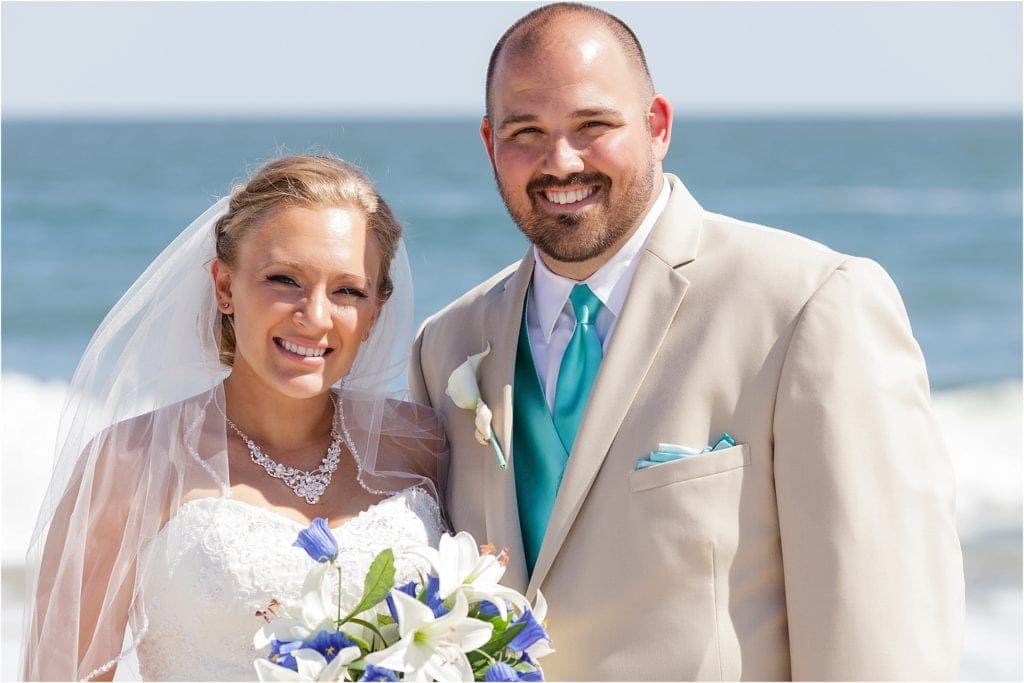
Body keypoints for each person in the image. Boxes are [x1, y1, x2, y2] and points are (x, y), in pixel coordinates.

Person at [409, 3, 965, 679]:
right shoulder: (445, 346)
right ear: (490, 143)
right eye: (527, 131)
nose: (561, 161)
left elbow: (883, 622)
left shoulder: (810, 304)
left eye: (593, 125)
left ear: (657, 126)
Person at [22, 155, 449, 680]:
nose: (314, 316)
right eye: (284, 279)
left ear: (375, 309)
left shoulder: (424, 446)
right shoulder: (132, 464)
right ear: (225, 287)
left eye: (347, 291)